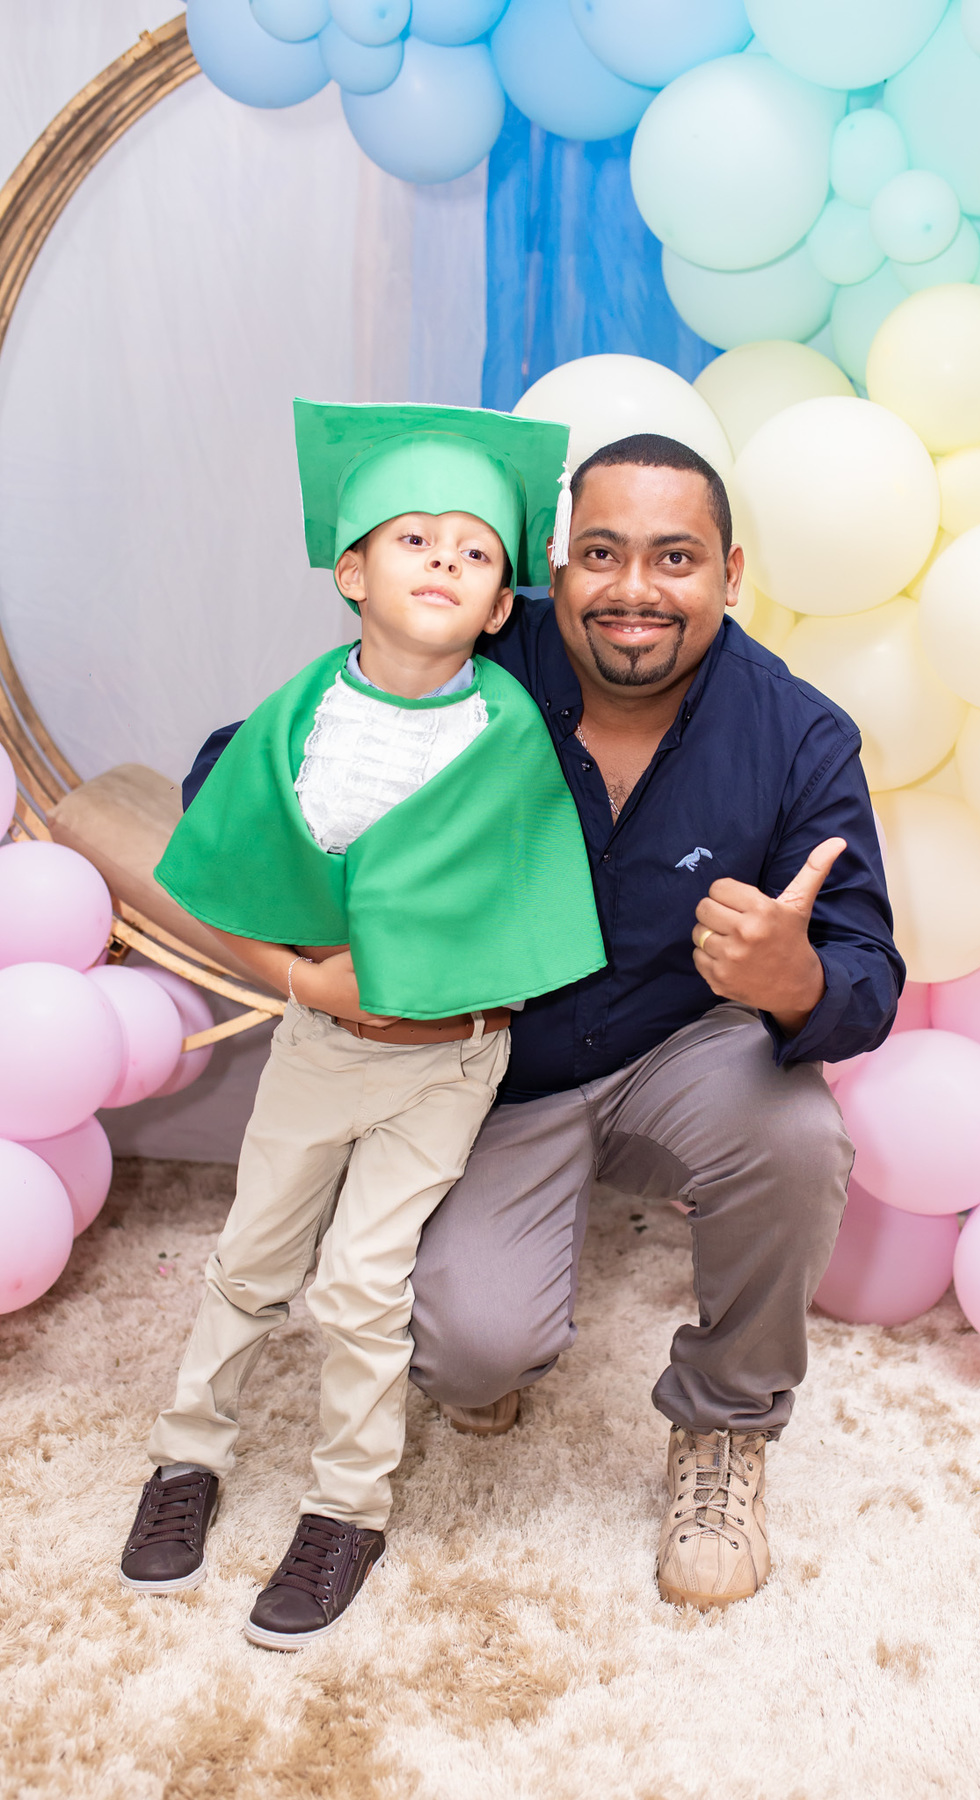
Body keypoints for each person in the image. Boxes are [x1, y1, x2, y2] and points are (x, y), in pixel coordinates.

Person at [181, 429, 904, 1615]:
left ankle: (726, 1424)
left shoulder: (798, 733)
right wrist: (331, 938)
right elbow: (242, 769)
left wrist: (796, 980)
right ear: (552, 566)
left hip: (682, 1047)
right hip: (489, 1066)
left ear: (730, 575)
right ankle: (495, 1338)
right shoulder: (472, 644)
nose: (634, 590)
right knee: (464, 1352)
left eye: (676, 558)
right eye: (601, 554)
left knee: (798, 1135)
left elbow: (867, 970)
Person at [118, 401, 605, 1649]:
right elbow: (220, 877)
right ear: (352, 573)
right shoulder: (299, 718)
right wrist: (307, 984)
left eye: (477, 551)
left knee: (362, 1283)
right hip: (319, 1048)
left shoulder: (507, 735)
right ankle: (187, 1455)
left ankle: (347, 1509)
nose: (446, 560)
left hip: (449, 1062)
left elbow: (523, 908)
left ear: (498, 607)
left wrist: (412, 972)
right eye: (414, 539)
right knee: (250, 1258)